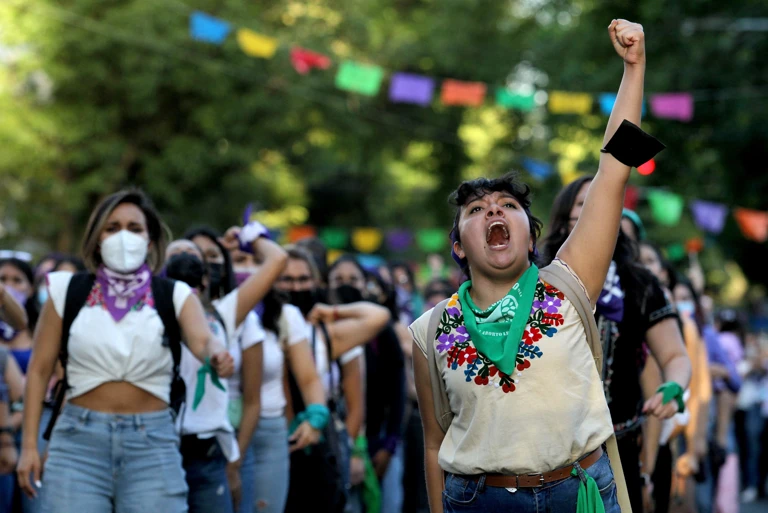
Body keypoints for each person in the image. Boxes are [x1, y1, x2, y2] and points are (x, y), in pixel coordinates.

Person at [410, 20, 691, 513]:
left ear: (532, 234)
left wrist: (633, 68)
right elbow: (435, 444)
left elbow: (613, 170)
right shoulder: (428, 331)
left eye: (507, 205)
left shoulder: (569, 284)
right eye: (475, 210)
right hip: (479, 501)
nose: (493, 211)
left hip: (580, 493)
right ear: (458, 246)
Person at [16, 189, 235, 512]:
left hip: (152, 444)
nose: (123, 236)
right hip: (77, 444)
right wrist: (30, 446)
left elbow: (202, 339)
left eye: (134, 228)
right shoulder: (66, 290)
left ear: (149, 240)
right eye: (112, 227)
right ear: (96, 237)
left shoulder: (175, 295)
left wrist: (217, 354)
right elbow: (38, 370)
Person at [540, 175, 690, 513]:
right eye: (582, 203)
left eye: (598, 200)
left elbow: (675, 355)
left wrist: (674, 386)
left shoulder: (639, 282)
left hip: (619, 448)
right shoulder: (536, 277)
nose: (592, 209)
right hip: (544, 453)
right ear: (564, 217)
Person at [165, 227, 284, 513]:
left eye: (192, 257)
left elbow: (277, 259)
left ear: (206, 277)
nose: (184, 259)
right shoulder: (146, 315)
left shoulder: (224, 313)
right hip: (159, 452)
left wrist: (249, 237)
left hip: (209, 458)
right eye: (176, 256)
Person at [277, 246, 391, 513]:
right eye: (288, 279)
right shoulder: (262, 327)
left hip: (320, 442)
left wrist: (334, 312)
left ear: (316, 282)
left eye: (303, 279)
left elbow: (378, 316)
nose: (296, 287)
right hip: (274, 443)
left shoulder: (325, 333)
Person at [224, 239, 327, 513]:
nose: (247, 268)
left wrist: (317, 416)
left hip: (267, 436)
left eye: (254, 261)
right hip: (216, 433)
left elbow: (308, 378)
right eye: (238, 260)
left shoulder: (285, 315)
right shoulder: (204, 311)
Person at [327, 255, 406, 513]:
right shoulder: (320, 327)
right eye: (338, 279)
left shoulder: (381, 331)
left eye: (353, 279)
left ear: (365, 285)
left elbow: (398, 390)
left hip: (379, 439)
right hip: (334, 441)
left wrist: (389, 445)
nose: (345, 284)